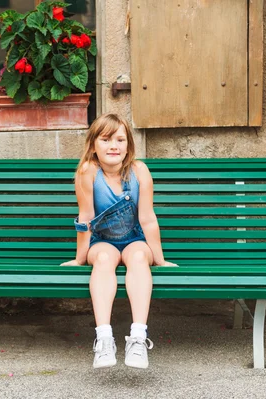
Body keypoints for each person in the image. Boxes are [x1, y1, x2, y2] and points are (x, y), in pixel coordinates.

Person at [61, 113, 176, 369]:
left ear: (128, 146)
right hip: (101, 240)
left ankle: (138, 338)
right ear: (93, 145)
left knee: (137, 257)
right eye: (106, 139)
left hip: (134, 238)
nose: (114, 145)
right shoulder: (87, 172)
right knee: (103, 259)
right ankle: (103, 339)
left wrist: (160, 259)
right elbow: (86, 217)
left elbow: (147, 219)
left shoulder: (139, 171)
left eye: (120, 140)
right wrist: (81, 259)